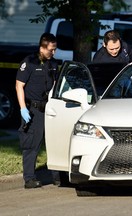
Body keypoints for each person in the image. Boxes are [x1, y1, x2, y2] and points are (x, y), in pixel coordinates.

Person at [15, 33, 60, 189]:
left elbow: (54, 85)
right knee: (32, 145)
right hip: (33, 110)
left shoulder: (53, 64)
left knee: (54, 143)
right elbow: (19, 85)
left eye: (55, 49)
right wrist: (22, 108)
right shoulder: (29, 63)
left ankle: (57, 176)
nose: (53, 52)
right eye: (51, 49)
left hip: (49, 109)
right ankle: (29, 178)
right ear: (42, 47)